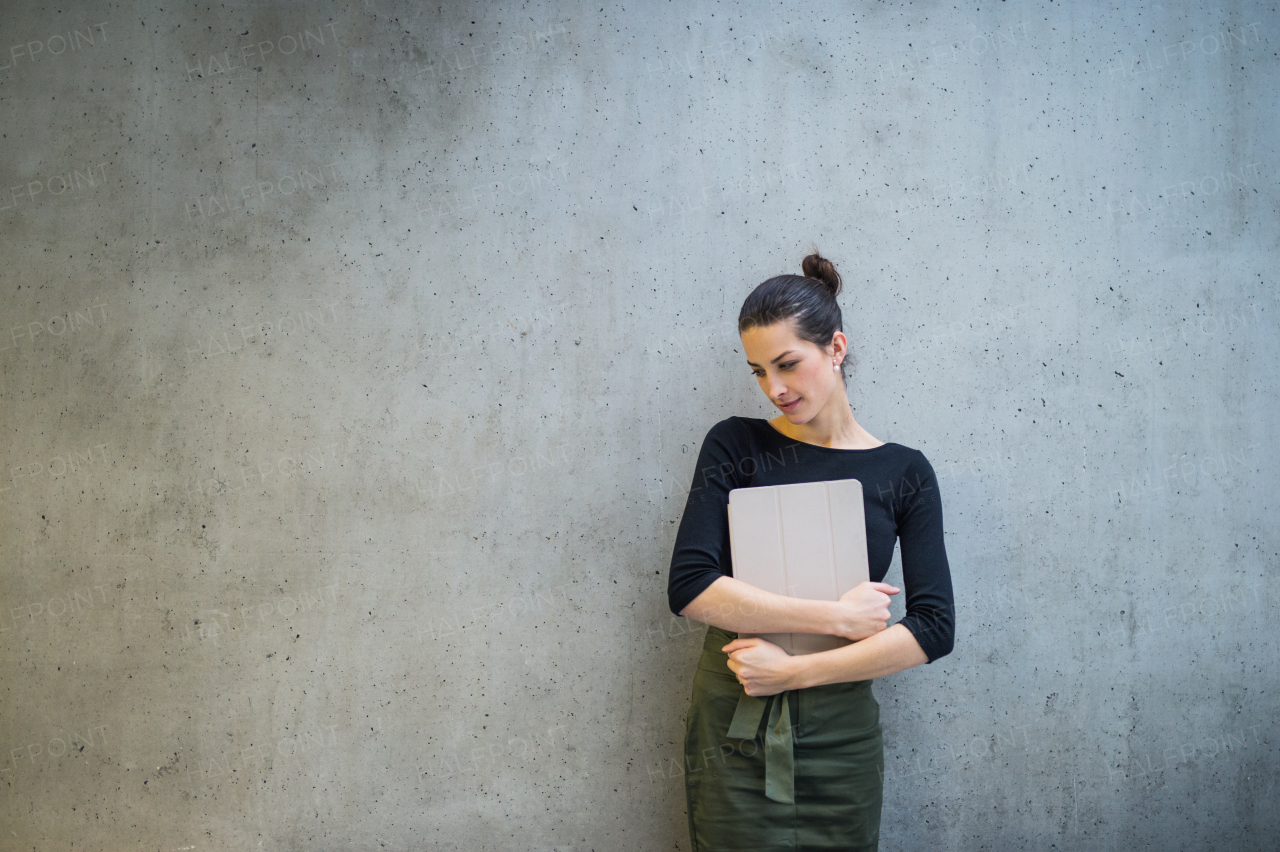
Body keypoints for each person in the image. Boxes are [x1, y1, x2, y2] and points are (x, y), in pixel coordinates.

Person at [666, 249, 956, 851]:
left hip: (841, 733)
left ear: (837, 349)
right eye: (757, 371)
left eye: (787, 364)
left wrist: (795, 672)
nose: (774, 388)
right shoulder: (734, 443)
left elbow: (934, 628)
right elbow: (691, 585)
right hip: (734, 719)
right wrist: (835, 618)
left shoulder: (904, 471)